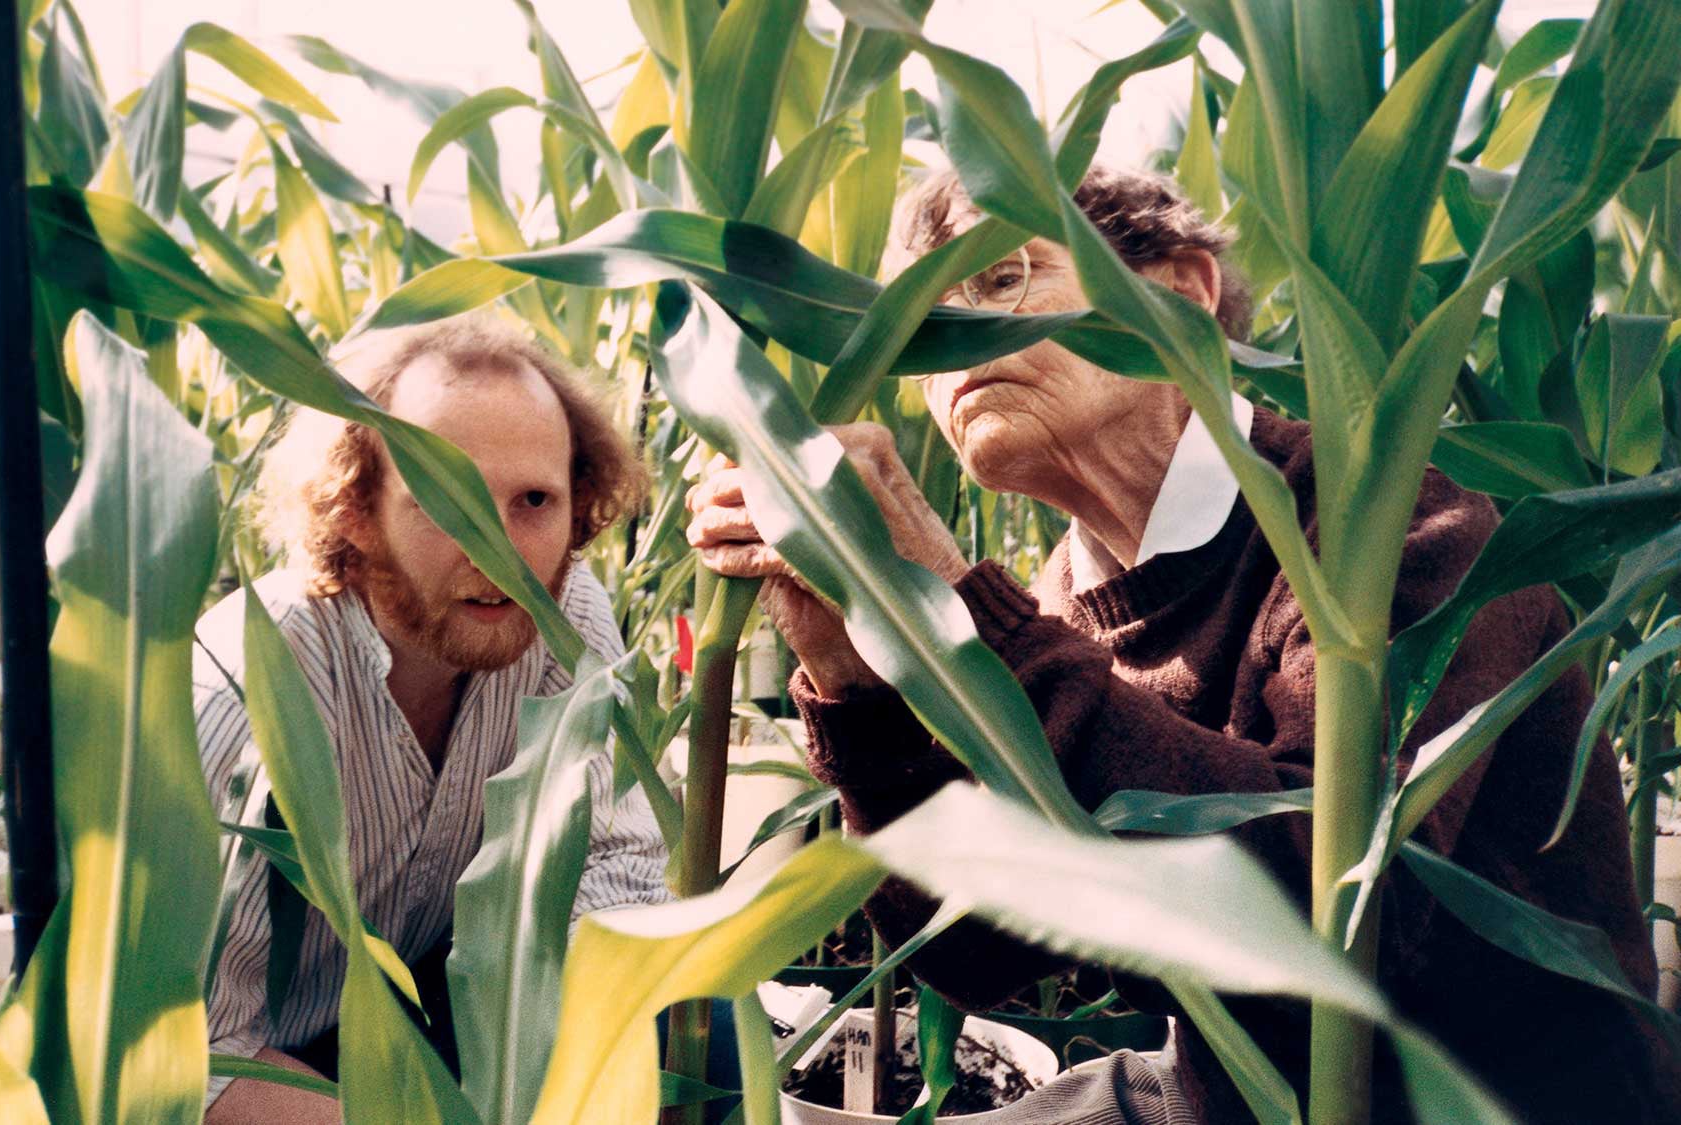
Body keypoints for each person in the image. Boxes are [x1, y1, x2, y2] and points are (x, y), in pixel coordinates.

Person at [687, 166, 1681, 1123]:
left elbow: (1327, 913)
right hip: (1224, 1089)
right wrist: (859, 680)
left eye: (998, 278)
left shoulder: (1398, 530)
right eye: (917, 330)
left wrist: (949, 608)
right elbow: (977, 952)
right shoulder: (1063, 608)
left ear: (1179, 295)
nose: (951, 347)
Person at [195, 313, 671, 1123]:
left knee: (713, 1035)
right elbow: (191, 1048)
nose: (502, 555)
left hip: (452, 1002)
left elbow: (618, 867)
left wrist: (539, 1065)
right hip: (278, 1069)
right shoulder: (253, 681)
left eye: (534, 500)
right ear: (354, 507)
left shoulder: (565, 614)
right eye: (447, 503)